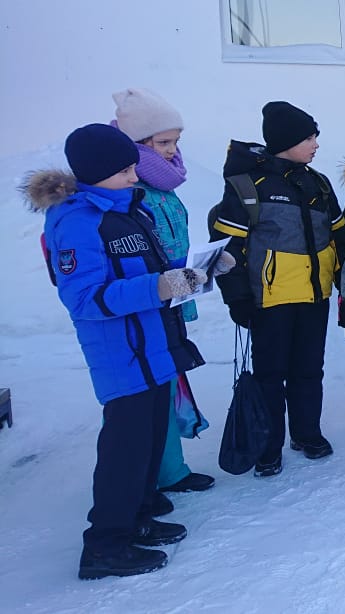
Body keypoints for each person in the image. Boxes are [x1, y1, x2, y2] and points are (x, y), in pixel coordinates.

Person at [25, 124, 230, 579]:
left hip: (154, 345)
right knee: (124, 451)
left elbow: (154, 268)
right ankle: (104, 545)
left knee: (151, 441)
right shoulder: (77, 222)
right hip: (122, 355)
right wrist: (161, 286)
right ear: (94, 174)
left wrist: (198, 269)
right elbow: (86, 298)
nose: (135, 176)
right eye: (123, 170)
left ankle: (139, 515)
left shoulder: (129, 209)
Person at [212, 101, 345, 477]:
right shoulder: (247, 186)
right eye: (308, 137)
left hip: (314, 295)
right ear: (286, 142)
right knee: (270, 374)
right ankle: (268, 447)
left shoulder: (317, 182)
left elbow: (340, 235)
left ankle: (307, 433)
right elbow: (226, 248)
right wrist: (236, 296)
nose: (316, 143)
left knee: (309, 369)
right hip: (270, 299)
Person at [112, 88, 215, 495]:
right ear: (137, 145)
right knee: (143, 394)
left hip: (173, 298)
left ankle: (170, 470)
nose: (173, 152)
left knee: (169, 384)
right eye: (163, 143)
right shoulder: (126, 190)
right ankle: (141, 481)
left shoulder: (163, 186)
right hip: (143, 303)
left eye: (175, 142)